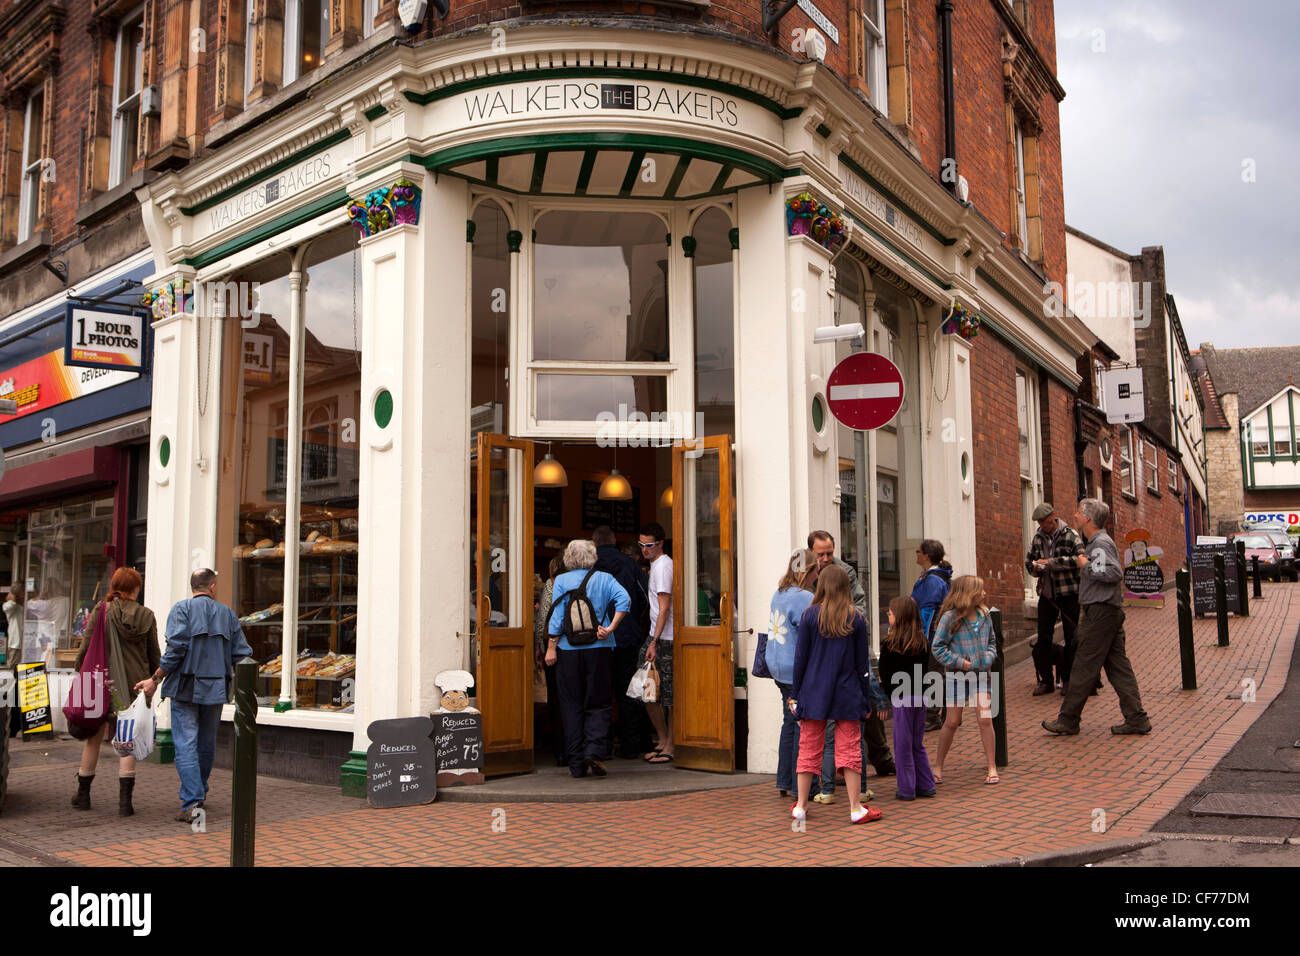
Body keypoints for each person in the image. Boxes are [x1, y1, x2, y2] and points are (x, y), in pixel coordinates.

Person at [133, 568, 252, 824]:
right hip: (216, 688)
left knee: (186, 743)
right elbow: (242, 654)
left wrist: (155, 680)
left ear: (193, 587)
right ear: (212, 587)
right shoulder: (227, 614)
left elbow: (175, 649)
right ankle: (198, 795)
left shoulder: (181, 609)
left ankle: (193, 802)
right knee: (206, 744)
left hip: (185, 687)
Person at [1042, 499, 1153, 737]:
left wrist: (1086, 565)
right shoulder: (1098, 542)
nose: (1075, 515)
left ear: (1088, 519)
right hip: (1108, 611)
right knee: (1118, 667)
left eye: (1079, 512)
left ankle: (1068, 719)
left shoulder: (1099, 543)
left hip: (1100, 612)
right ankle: (1137, 718)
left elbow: (1113, 572)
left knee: (1083, 664)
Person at [788, 564, 884, 825]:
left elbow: (801, 661)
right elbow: (862, 666)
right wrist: (866, 699)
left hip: (814, 692)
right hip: (847, 693)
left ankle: (801, 807)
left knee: (808, 748)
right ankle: (855, 807)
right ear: (845, 588)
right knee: (850, 748)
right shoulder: (856, 619)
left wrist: (795, 694)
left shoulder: (809, 617)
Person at [68, 568, 159, 816]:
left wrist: (80, 672)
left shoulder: (101, 610)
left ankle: (84, 796)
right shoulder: (146, 615)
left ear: (114, 586)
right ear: (136, 588)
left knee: (93, 738)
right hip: (133, 685)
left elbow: (87, 646)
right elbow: (154, 654)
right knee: (127, 740)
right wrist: (153, 681)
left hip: (101, 682)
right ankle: (124, 803)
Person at [807, 530, 895, 777]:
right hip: (823, 652)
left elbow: (860, 606)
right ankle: (832, 770)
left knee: (869, 700)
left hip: (851, 645)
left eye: (829, 553)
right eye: (820, 554)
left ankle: (882, 758)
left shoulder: (846, 571)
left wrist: (835, 618)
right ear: (811, 552)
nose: (825, 558)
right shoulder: (805, 572)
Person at [544, 539, 630, 778]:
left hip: (567, 649)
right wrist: (611, 627)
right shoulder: (604, 578)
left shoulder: (560, 580)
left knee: (570, 705)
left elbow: (557, 616)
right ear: (593, 556)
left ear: (568, 559)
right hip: (599, 648)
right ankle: (594, 751)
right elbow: (625, 600)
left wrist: (551, 648)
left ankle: (576, 764)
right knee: (599, 702)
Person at [930, 575, 999, 785]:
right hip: (957, 677)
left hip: (980, 676)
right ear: (968, 594)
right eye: (980, 590)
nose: (984, 594)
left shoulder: (985, 615)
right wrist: (961, 663)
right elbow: (937, 647)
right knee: (951, 721)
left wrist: (986, 659)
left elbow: (993, 643)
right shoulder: (950, 618)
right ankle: (938, 765)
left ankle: (992, 766)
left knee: (985, 719)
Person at [592, 525, 650, 759]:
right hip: (626, 637)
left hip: (596, 640)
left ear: (593, 543)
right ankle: (630, 745)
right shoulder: (629, 565)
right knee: (629, 692)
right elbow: (647, 599)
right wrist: (634, 621)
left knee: (599, 693)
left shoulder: (589, 567)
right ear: (615, 540)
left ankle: (602, 748)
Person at [768, 548, 819, 797]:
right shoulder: (805, 597)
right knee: (803, 725)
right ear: (808, 571)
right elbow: (812, 633)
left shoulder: (779, 592)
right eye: (816, 569)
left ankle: (784, 780)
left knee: (789, 722)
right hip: (796, 669)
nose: (818, 574)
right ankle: (806, 786)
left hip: (777, 666)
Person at [880, 596, 936, 800]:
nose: (888, 615)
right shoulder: (921, 642)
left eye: (891, 613)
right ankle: (926, 784)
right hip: (920, 697)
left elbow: (886, 676)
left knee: (902, 745)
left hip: (901, 698)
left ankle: (907, 789)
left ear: (900, 616)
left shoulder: (888, 644)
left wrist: (885, 697)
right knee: (916, 743)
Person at [1025, 502, 1083, 696]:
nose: (1043, 525)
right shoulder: (1038, 538)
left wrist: (1051, 563)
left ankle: (1067, 680)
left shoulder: (1070, 535)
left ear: (1053, 517)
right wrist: (1035, 567)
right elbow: (1029, 561)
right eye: (1040, 523)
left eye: (1045, 521)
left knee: (1071, 638)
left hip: (1068, 593)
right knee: (1043, 638)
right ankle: (1046, 681)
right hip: (1047, 594)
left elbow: (1080, 560)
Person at [638, 522, 675, 763]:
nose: (644, 549)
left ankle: (670, 745)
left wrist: (654, 641)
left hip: (665, 638)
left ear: (660, 543)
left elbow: (664, 608)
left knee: (667, 694)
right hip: (658, 635)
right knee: (648, 690)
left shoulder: (663, 566)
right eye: (641, 545)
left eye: (649, 545)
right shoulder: (656, 566)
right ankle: (662, 740)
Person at [910, 539, 952, 732]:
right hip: (934, 634)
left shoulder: (932, 580)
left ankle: (933, 716)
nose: (916, 554)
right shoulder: (931, 577)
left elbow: (928, 609)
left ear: (926, 555)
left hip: (933, 635)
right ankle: (950, 712)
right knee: (935, 674)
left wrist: (922, 637)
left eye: (918, 551)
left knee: (934, 675)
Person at [535, 555, 567, 766]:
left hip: (554, 647)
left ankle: (561, 750)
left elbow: (544, 616)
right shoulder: (584, 581)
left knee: (556, 698)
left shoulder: (552, 583)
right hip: (578, 645)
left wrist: (540, 644)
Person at [4, 586, 23, 739]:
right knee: (13, 682)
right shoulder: (11, 606)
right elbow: (9, 605)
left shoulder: (25, 607)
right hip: (16, 645)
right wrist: (13, 596)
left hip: (25, 645)